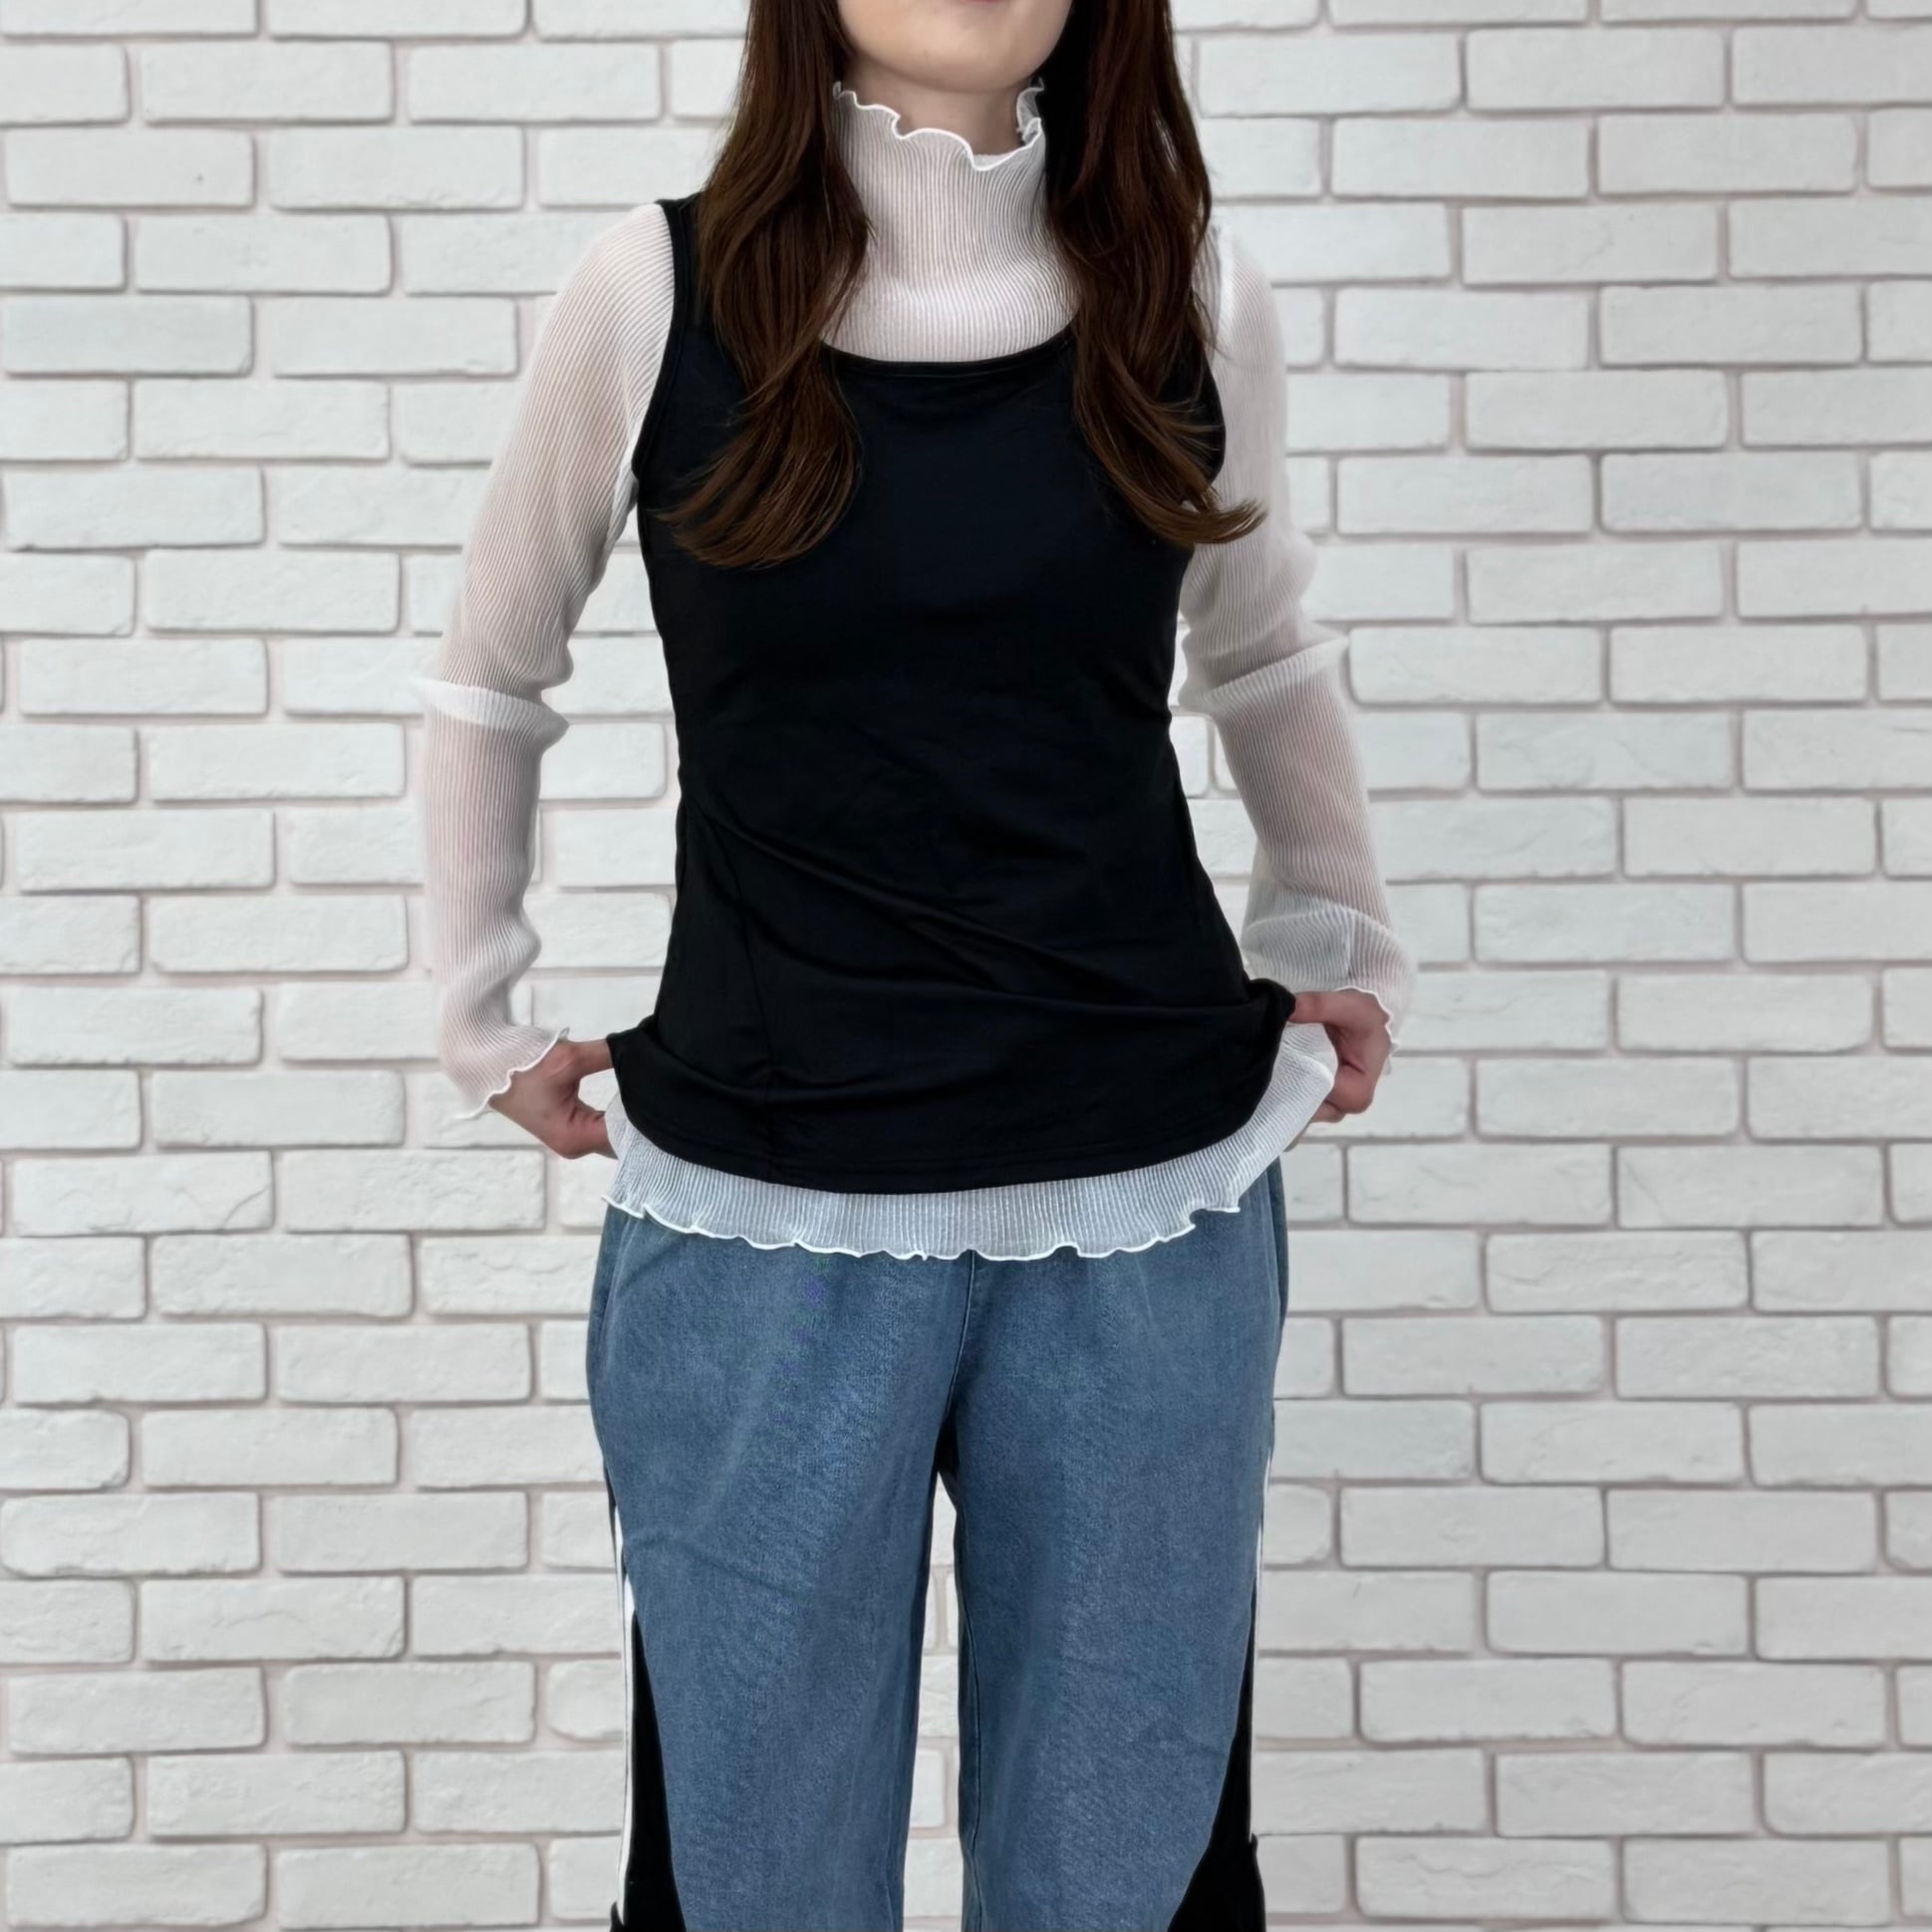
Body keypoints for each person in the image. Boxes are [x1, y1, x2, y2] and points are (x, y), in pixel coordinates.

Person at [414, 1, 1414, 1925]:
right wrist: (475, 1018)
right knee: (753, 1879)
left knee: (1127, 1875)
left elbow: (1264, 641)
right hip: (761, 1212)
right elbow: (490, 669)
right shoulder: (652, 292)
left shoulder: (1191, 290)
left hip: (1149, 1199)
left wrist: (1335, 933)